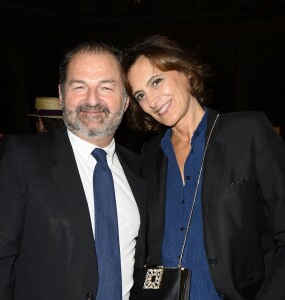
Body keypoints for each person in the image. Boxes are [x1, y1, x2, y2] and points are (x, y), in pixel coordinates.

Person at [122, 35, 285, 299]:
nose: (152, 100)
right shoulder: (150, 154)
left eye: (156, 81)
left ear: (186, 73)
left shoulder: (247, 132)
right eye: (141, 94)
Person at [0, 40, 146, 300]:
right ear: (61, 95)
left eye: (106, 87)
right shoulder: (21, 157)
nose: (92, 100)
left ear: (125, 100)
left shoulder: (140, 169)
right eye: (79, 86)